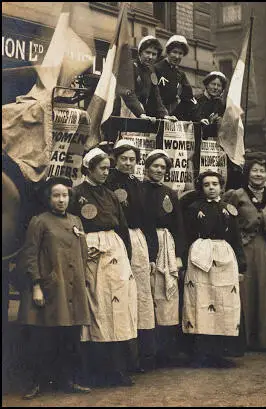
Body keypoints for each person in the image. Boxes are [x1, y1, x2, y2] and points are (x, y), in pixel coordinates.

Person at [18, 176, 91, 399]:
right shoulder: (39, 221)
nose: (61, 200)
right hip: (50, 288)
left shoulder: (77, 221)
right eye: (56, 196)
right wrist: (36, 286)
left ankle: (68, 380)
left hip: (72, 288)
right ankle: (36, 383)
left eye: (65, 195)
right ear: (49, 198)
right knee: (43, 338)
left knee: (69, 337)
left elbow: (83, 254)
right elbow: (30, 255)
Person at [70, 147, 138, 387]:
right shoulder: (75, 193)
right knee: (95, 307)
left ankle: (117, 368)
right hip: (90, 253)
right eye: (102, 168)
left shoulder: (111, 196)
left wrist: (127, 256)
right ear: (89, 168)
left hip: (115, 253)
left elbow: (122, 227)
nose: (106, 173)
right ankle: (94, 371)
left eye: (108, 169)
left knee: (118, 310)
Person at [182, 171, 246, 368]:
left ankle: (220, 352)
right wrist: (184, 262)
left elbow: (236, 238)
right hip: (200, 257)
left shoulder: (229, 209)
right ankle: (200, 353)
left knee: (223, 301)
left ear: (221, 186)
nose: (211, 187)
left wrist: (241, 266)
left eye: (215, 184)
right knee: (201, 301)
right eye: (207, 184)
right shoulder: (193, 209)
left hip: (224, 257)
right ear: (201, 188)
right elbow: (187, 235)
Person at [105, 140, 156, 371]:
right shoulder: (108, 181)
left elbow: (147, 218)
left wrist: (152, 252)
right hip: (117, 240)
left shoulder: (137, 183)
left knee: (140, 295)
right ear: (115, 159)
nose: (128, 163)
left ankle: (139, 357)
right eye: (124, 158)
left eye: (132, 159)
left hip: (138, 239)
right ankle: (120, 358)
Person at [223, 158, 266, 351]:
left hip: (265, 248)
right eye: (255, 171)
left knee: (265, 290)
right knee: (245, 291)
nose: (258, 174)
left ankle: (265, 339)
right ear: (248, 173)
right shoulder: (237, 195)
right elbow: (227, 219)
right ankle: (244, 339)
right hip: (244, 248)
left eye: (262, 171)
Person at [142, 149, 186, 366]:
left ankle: (166, 351)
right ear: (147, 167)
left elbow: (178, 225)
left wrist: (178, 255)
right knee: (148, 293)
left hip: (166, 244)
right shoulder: (139, 189)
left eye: (163, 167)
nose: (159, 170)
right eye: (155, 166)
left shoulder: (170, 193)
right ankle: (147, 351)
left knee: (167, 296)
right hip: (145, 243)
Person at [120, 35, 177, 122]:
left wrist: (165, 115)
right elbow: (129, 93)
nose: (150, 57)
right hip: (126, 109)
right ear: (140, 52)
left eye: (154, 54)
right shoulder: (130, 67)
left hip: (141, 113)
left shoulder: (151, 72)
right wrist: (141, 113)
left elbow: (156, 96)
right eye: (147, 52)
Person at [154, 35, 197, 121]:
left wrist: (198, 118)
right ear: (168, 52)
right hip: (155, 115)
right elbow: (154, 96)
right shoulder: (156, 68)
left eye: (180, 53)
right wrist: (164, 114)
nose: (177, 56)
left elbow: (189, 98)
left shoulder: (180, 74)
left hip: (172, 118)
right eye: (174, 52)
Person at [194, 71, 227, 139]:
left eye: (219, 85)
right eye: (213, 84)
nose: (215, 88)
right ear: (206, 85)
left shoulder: (221, 104)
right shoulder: (196, 99)